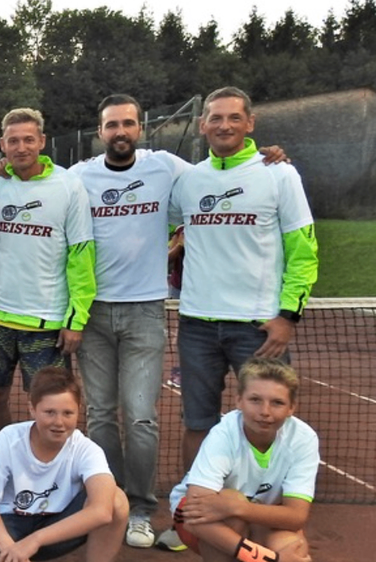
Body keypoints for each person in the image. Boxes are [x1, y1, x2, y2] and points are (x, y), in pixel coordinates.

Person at [69, 94, 292, 549]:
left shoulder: (170, 169)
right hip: (92, 313)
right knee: (100, 418)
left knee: (141, 417)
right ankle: (106, 501)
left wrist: (267, 156)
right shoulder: (78, 177)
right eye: (112, 125)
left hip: (146, 310)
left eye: (128, 123)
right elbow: (37, 184)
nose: (121, 132)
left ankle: (140, 508)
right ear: (100, 132)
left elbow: (226, 171)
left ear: (140, 129)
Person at [166, 87, 318, 551]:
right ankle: (191, 517)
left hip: (257, 328)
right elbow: (164, 222)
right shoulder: (188, 180)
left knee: (271, 416)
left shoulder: (279, 174)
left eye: (234, 118)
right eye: (215, 118)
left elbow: (303, 248)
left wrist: (288, 314)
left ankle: (272, 514)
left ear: (250, 123)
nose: (224, 126)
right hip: (195, 322)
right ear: (203, 125)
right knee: (198, 422)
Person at [0, 108, 95, 437]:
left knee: (52, 405)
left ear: (42, 141)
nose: (21, 147)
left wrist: (76, 320)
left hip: (46, 325)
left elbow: (81, 255)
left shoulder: (68, 186)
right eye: (13, 141)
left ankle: (51, 471)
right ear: (2, 145)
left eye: (28, 139)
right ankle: (1, 458)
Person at [0, 366, 127, 562]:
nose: (59, 422)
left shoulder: (87, 449)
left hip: (56, 526)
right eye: (49, 412)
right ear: (32, 409)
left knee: (116, 500)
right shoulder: (9, 438)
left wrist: (35, 540)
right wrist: (10, 549)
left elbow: (102, 511)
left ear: (79, 410)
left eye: (67, 413)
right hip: (7, 526)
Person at [169, 358, 317, 562]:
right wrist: (267, 559)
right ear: (239, 401)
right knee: (232, 519)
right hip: (199, 521)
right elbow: (195, 517)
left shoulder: (303, 438)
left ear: (291, 407)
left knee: (294, 548)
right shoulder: (223, 435)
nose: (265, 411)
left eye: (277, 403)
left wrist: (240, 507)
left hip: (253, 515)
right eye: (255, 400)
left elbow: (296, 516)